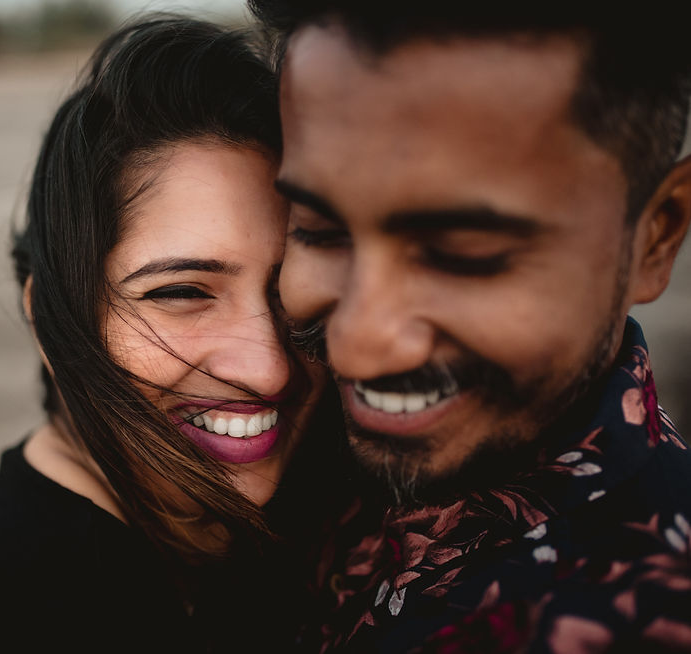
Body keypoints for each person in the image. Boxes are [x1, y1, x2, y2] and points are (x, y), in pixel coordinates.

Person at [0, 16, 334, 653]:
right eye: (180, 293)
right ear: (50, 316)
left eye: (290, 293)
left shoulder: (305, 510)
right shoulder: (11, 617)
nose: (269, 371)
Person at [247, 4, 691, 652]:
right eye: (320, 232)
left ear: (655, 237)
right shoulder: (293, 432)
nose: (356, 344)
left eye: (463, 254)